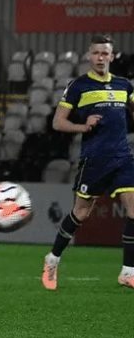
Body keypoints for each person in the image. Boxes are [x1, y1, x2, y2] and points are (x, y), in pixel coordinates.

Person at [42, 34, 134, 290]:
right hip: (94, 159)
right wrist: (83, 126)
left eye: (105, 53)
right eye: (96, 53)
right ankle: (53, 258)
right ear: (89, 56)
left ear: (112, 56)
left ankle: (128, 271)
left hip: (123, 157)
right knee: (81, 212)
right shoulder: (79, 86)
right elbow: (57, 122)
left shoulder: (124, 85)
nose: (100, 57)